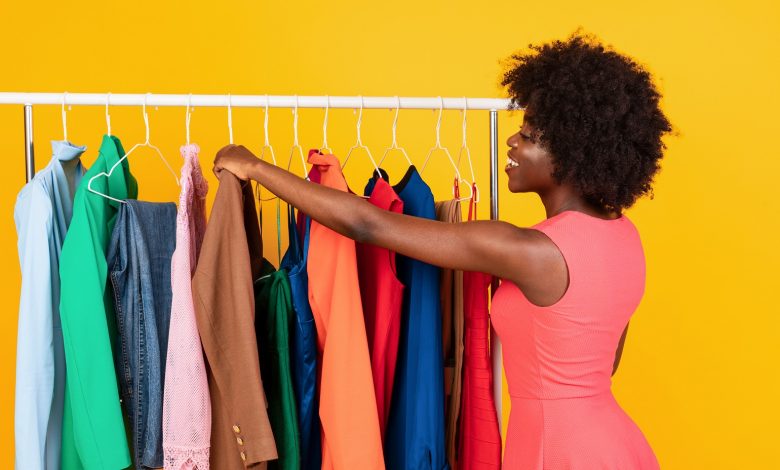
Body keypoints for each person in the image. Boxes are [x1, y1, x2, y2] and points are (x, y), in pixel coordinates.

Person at [214, 30, 671, 469]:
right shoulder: (624, 235)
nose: (512, 141)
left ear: (573, 153)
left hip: (559, 449)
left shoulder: (530, 250)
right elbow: (603, 362)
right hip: (613, 443)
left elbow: (367, 222)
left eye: (529, 136)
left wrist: (255, 167)